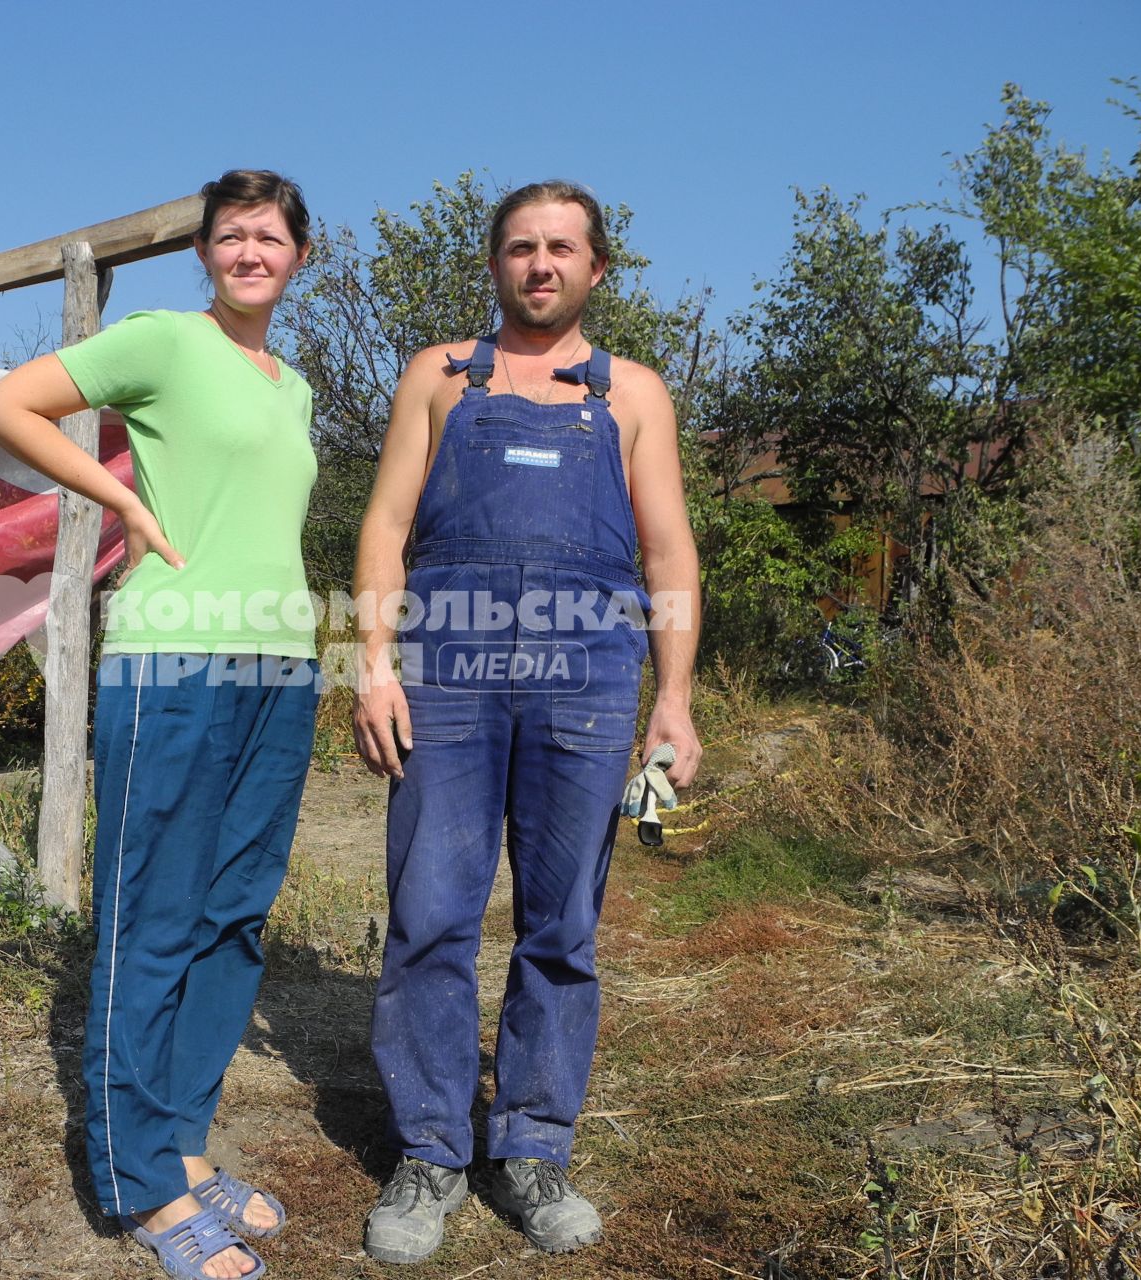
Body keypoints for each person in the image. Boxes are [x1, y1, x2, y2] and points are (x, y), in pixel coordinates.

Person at [0, 170, 319, 1280]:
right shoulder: (167, 341)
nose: (249, 250)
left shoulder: (296, 385)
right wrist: (117, 497)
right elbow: (6, 403)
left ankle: (181, 1143)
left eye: (270, 235)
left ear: (298, 256)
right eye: (231, 235)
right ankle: (140, 1183)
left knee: (233, 917)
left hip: (282, 669)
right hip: (172, 661)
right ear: (206, 253)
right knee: (152, 917)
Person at [350, 180, 702, 1263]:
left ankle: (536, 1143)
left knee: (562, 925)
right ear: (494, 265)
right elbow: (386, 528)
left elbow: (668, 555)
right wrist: (370, 664)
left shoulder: (634, 395)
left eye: (561, 248)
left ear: (598, 269)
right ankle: (431, 1151)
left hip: (587, 677)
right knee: (431, 914)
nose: (539, 264)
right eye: (519, 247)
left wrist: (674, 701)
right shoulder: (439, 377)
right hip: (446, 672)